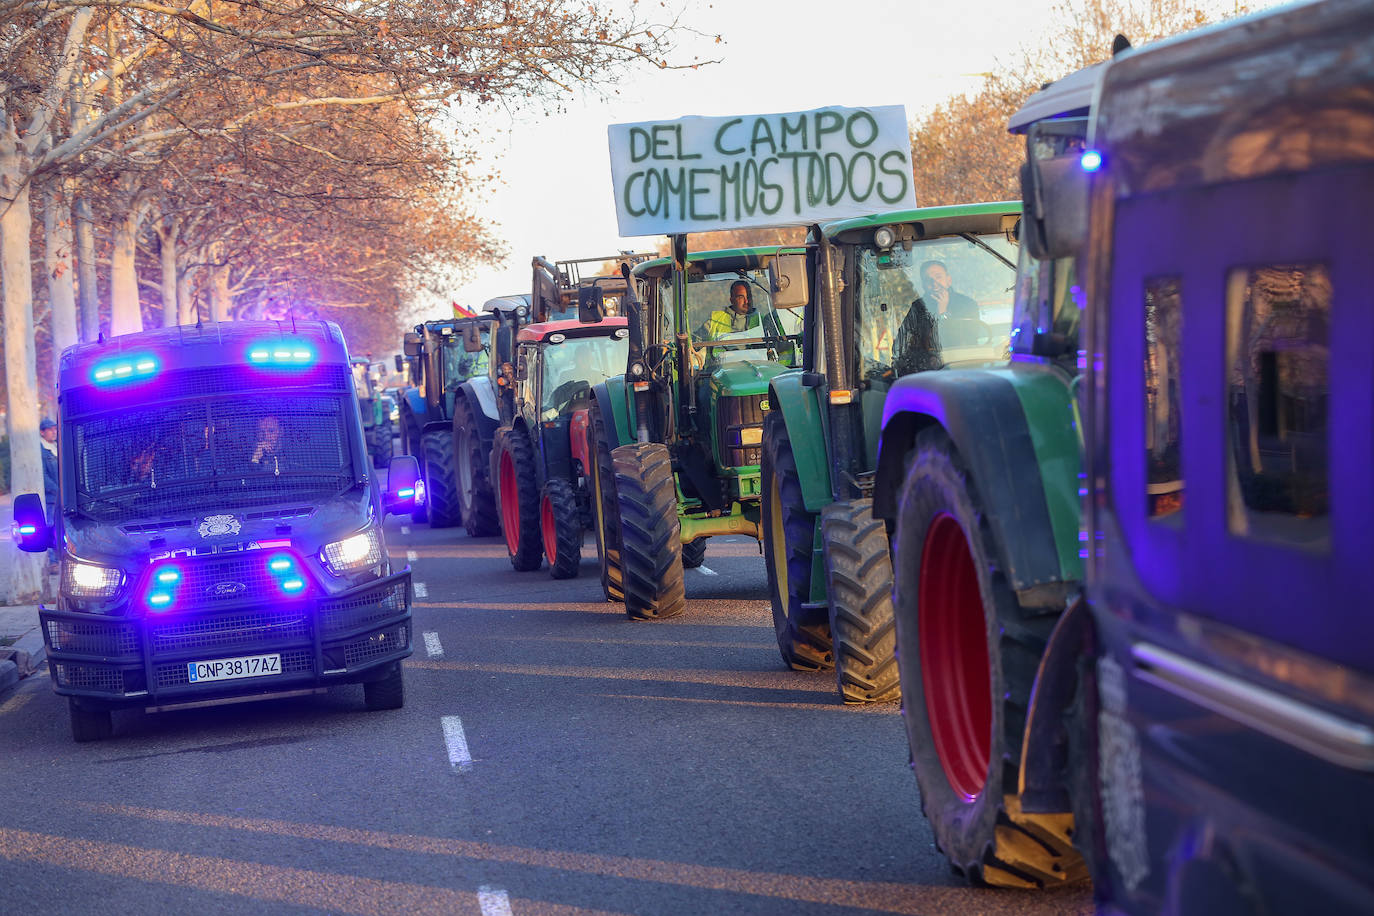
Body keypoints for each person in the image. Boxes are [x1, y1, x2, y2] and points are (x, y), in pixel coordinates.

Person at [40, 417, 58, 522]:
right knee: (53, 526)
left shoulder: (57, 446)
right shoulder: (42, 450)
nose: (54, 432)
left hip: (63, 499)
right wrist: (58, 491)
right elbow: (43, 476)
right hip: (52, 499)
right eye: (50, 430)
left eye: (55, 429)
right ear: (42, 432)